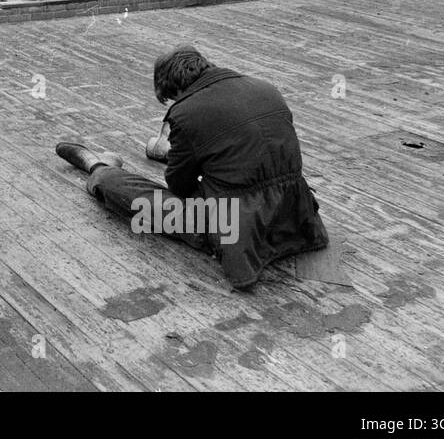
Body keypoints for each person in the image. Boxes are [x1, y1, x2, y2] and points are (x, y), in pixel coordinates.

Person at [56, 44, 329, 290]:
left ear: (174, 88)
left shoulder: (186, 113)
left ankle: (99, 168)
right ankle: (152, 154)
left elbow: (179, 186)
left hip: (237, 223)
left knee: (140, 198)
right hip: (296, 214)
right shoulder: (265, 87)